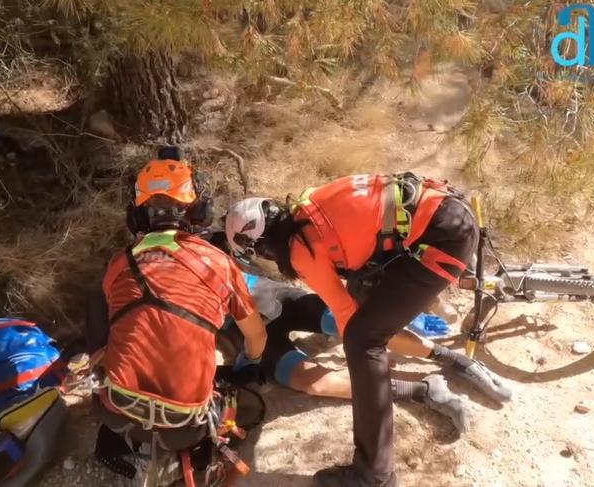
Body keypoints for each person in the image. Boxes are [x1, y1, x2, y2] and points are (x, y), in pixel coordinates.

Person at [224, 172, 490, 487]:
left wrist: (248, 361)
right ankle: (424, 386)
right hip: (442, 212)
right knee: (332, 358)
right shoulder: (306, 206)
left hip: (438, 236)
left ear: (262, 244)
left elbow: (339, 319)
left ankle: (374, 474)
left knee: (361, 338)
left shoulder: (299, 252)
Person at [86, 146, 267, 455]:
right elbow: (256, 336)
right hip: (183, 426)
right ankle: (205, 455)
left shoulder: (118, 264)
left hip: (115, 412)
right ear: (199, 210)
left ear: (137, 215)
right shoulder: (218, 262)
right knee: (254, 407)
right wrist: (249, 364)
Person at [219, 270, 473, 433]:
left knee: (360, 325)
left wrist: (249, 360)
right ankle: (424, 389)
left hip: (274, 303)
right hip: (248, 328)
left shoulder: (210, 262)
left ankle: (453, 358)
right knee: (311, 383)